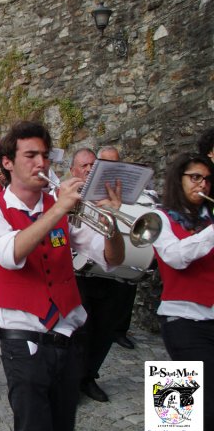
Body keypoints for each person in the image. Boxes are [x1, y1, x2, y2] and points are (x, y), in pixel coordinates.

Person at [0, 121, 124, 431]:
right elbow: (11, 253)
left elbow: (111, 259)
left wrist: (111, 224)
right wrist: (58, 208)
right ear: (7, 163)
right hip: (23, 343)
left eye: (44, 155)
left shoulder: (61, 208)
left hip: (69, 339)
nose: (41, 163)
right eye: (30, 155)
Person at [151, 153, 214, 431]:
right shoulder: (160, 217)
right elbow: (175, 257)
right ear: (179, 180)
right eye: (195, 177)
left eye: (207, 179)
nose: (203, 184)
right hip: (181, 318)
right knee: (187, 418)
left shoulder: (209, 218)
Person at [69, 148, 122, 403]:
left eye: (93, 165)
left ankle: (89, 377)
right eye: (83, 166)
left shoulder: (115, 198)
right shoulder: (68, 199)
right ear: (73, 171)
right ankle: (73, 379)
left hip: (112, 274)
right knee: (80, 332)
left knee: (104, 331)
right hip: (79, 274)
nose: (89, 170)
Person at [96, 145, 138, 351]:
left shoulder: (128, 185)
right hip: (185, 315)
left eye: (117, 162)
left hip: (128, 250)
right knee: (184, 378)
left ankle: (119, 330)